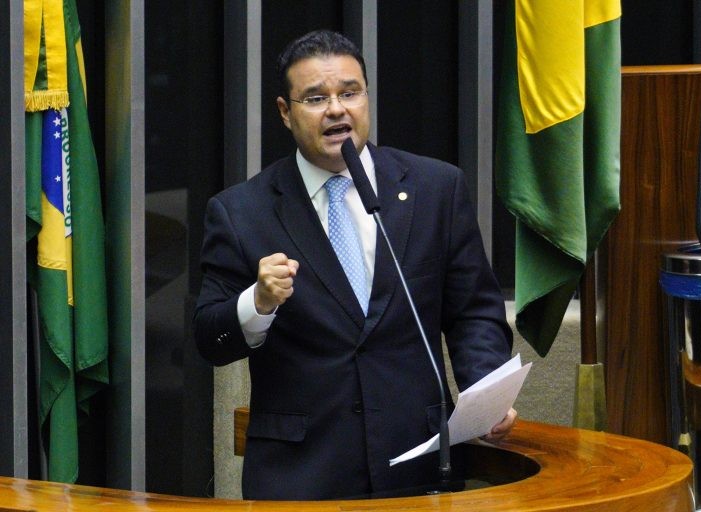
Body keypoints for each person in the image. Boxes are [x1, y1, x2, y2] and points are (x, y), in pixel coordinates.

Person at [194, 29, 515, 501]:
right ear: (285, 112)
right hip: (300, 476)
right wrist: (257, 303)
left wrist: (485, 389)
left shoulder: (435, 189)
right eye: (315, 98)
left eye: (350, 92)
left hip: (419, 464)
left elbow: (474, 313)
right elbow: (210, 337)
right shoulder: (241, 212)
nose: (336, 109)